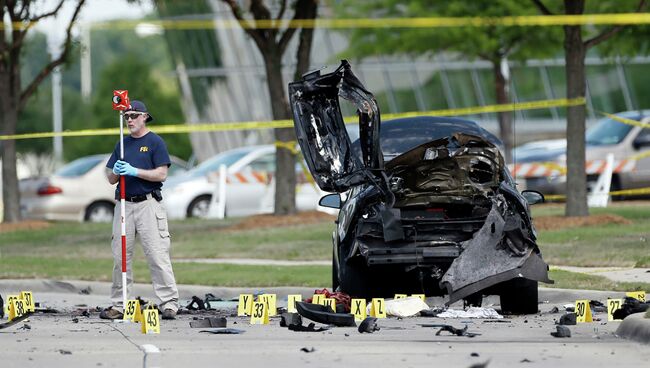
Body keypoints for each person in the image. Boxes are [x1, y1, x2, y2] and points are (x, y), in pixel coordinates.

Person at [101, 100, 179, 320]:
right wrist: (116, 171)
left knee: (157, 254)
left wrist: (135, 171)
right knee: (120, 256)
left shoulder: (155, 142)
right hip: (124, 205)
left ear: (145, 116)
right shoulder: (122, 144)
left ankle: (169, 303)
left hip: (147, 204)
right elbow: (110, 179)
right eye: (127, 116)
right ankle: (119, 304)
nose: (130, 120)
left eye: (134, 115)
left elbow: (161, 174)